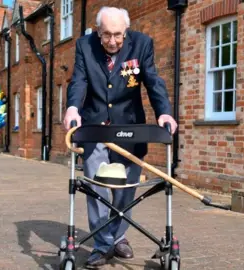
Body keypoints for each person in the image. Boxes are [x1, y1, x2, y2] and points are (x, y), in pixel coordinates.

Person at [64, 6, 177, 268]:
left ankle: (119, 237)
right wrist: (72, 108)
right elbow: (78, 81)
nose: (112, 41)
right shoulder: (84, 45)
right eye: (106, 35)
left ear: (126, 31)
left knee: (127, 189)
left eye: (118, 35)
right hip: (95, 127)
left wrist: (164, 113)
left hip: (130, 126)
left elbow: (152, 80)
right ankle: (103, 244)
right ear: (97, 30)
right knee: (97, 187)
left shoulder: (143, 44)